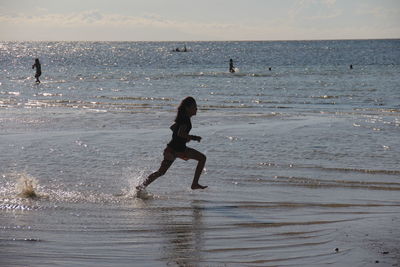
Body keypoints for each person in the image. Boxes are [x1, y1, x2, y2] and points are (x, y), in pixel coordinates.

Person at [137, 96, 207, 191]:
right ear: (187, 108)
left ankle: (141, 186)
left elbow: (173, 128)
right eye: (194, 106)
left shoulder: (182, 118)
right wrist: (193, 137)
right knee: (202, 158)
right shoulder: (185, 120)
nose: (196, 109)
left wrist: (183, 138)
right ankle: (194, 184)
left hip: (172, 150)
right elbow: (180, 133)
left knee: (161, 172)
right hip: (177, 150)